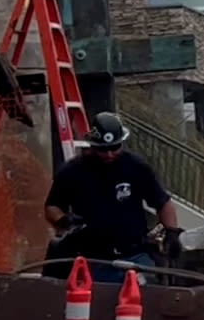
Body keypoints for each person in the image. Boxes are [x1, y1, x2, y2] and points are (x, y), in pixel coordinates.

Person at [44, 111, 182, 285]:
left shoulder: (137, 168)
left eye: (114, 148)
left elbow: (163, 203)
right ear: (92, 145)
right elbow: (52, 206)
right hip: (91, 259)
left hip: (134, 255)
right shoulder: (72, 172)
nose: (109, 154)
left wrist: (172, 233)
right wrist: (64, 220)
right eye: (103, 149)